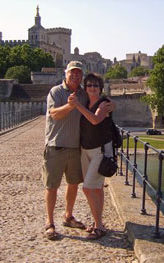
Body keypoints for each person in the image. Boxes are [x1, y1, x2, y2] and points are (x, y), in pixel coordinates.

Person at [43, 61, 114, 240]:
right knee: (52, 186)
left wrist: (112, 104)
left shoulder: (83, 94)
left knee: (74, 184)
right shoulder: (56, 92)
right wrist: (70, 105)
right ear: (65, 74)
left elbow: (99, 104)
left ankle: (68, 216)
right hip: (56, 145)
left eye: (78, 74)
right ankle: (50, 223)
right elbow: (54, 114)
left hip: (77, 148)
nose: (75, 76)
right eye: (71, 73)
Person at [68, 73, 113, 240]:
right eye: (89, 85)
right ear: (85, 88)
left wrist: (78, 105)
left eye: (95, 85)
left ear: (100, 88)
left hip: (100, 151)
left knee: (87, 188)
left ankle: (99, 226)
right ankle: (98, 223)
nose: (92, 88)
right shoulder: (87, 102)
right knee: (97, 188)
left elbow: (95, 120)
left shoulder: (104, 103)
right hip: (85, 149)